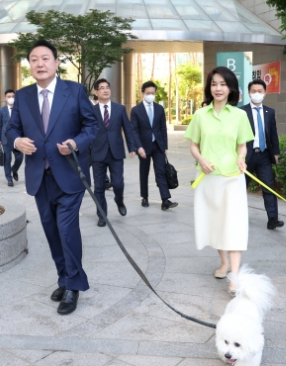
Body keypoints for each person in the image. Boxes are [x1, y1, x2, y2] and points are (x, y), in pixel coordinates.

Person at [6, 39, 98, 315]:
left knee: (67, 229)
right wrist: (16, 141)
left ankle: (73, 286)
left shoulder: (75, 90)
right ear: (29, 65)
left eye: (45, 58)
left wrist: (75, 143)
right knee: (51, 231)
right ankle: (65, 277)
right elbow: (11, 128)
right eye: (34, 59)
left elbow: (91, 126)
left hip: (69, 173)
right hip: (39, 176)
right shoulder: (22, 96)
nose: (40, 63)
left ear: (57, 63)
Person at [185, 67, 254, 294]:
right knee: (215, 224)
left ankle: (234, 275)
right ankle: (223, 262)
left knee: (233, 225)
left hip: (233, 178)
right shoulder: (200, 115)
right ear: (209, 87)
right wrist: (201, 160)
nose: (218, 88)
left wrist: (242, 157)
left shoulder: (240, 115)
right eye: (214, 84)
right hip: (207, 179)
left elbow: (242, 144)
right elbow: (193, 145)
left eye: (223, 84)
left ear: (231, 87)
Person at [91, 78, 137, 227]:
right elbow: (86, 131)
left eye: (107, 87)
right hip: (98, 153)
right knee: (98, 187)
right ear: (96, 92)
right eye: (102, 88)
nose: (105, 90)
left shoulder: (120, 108)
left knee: (118, 183)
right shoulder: (91, 111)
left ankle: (119, 200)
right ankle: (102, 215)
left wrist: (131, 147)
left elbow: (128, 129)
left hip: (116, 152)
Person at [240, 79, 284, 230]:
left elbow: (273, 134)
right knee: (240, 188)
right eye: (254, 91)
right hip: (246, 156)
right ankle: (236, 217)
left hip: (264, 155)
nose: (257, 94)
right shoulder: (241, 112)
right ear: (249, 93)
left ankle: (273, 219)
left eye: (260, 91)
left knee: (268, 187)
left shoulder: (269, 112)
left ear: (265, 93)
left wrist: (276, 153)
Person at [130, 81, 178, 211]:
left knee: (161, 172)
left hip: (158, 146)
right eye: (148, 93)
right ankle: (144, 197)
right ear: (143, 93)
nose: (150, 95)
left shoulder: (159, 109)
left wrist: (165, 146)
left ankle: (165, 200)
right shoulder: (136, 110)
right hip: (143, 147)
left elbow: (163, 128)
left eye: (152, 93)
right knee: (144, 172)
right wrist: (138, 147)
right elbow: (133, 130)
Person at [0, 89, 23, 187]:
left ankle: (14, 169)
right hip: (5, 139)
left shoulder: (20, 109)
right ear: (5, 98)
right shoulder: (1, 110)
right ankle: (9, 178)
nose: (11, 98)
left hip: (17, 138)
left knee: (19, 158)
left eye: (13, 96)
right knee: (7, 159)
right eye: (9, 96)